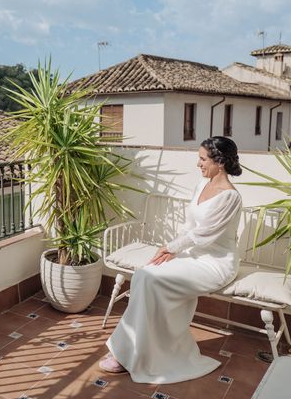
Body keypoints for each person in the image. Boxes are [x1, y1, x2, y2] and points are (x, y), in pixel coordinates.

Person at [99, 136, 243, 384]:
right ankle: (137, 351)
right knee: (145, 275)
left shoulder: (230, 197)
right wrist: (171, 251)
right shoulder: (202, 184)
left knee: (151, 279)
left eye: (202, 159)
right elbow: (189, 226)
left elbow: (204, 235)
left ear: (219, 162)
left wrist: (170, 247)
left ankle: (132, 355)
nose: (198, 164)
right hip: (192, 254)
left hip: (215, 263)